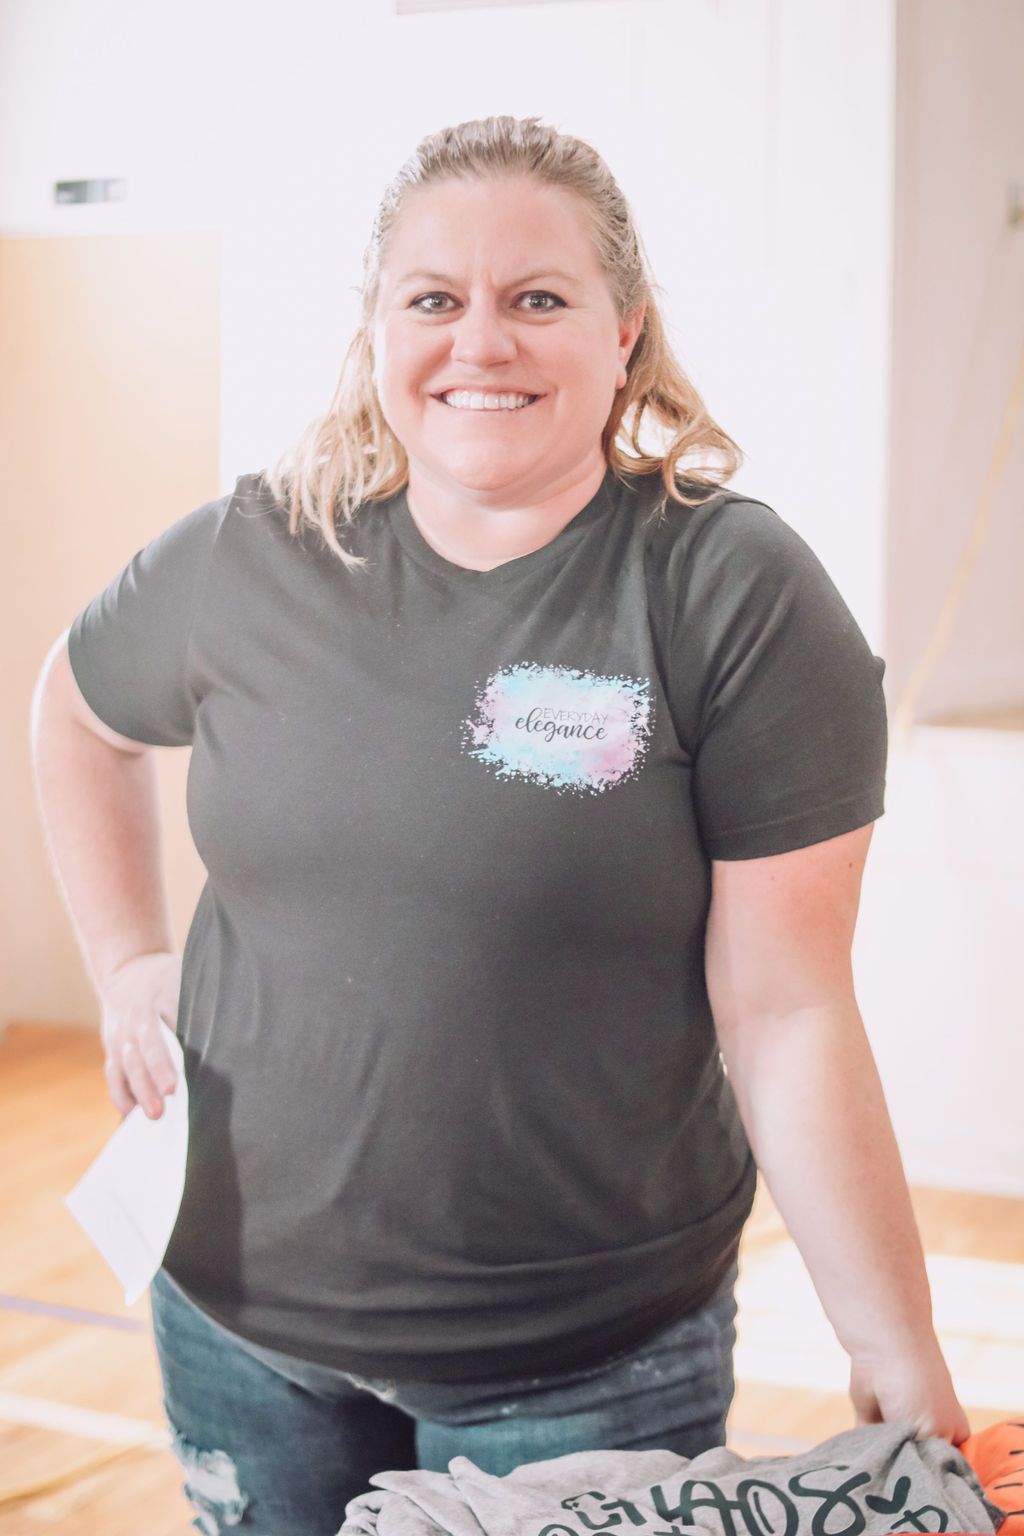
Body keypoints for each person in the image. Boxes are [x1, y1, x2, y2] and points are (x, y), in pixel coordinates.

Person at [30, 115, 967, 1536]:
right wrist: (124, 963)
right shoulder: (252, 552)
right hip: (235, 1326)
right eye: (433, 299)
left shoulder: (729, 593)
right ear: (378, 329)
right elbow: (76, 710)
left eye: (537, 296)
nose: (481, 342)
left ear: (624, 331)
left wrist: (889, 1337)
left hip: (585, 1366)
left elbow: (786, 1011)